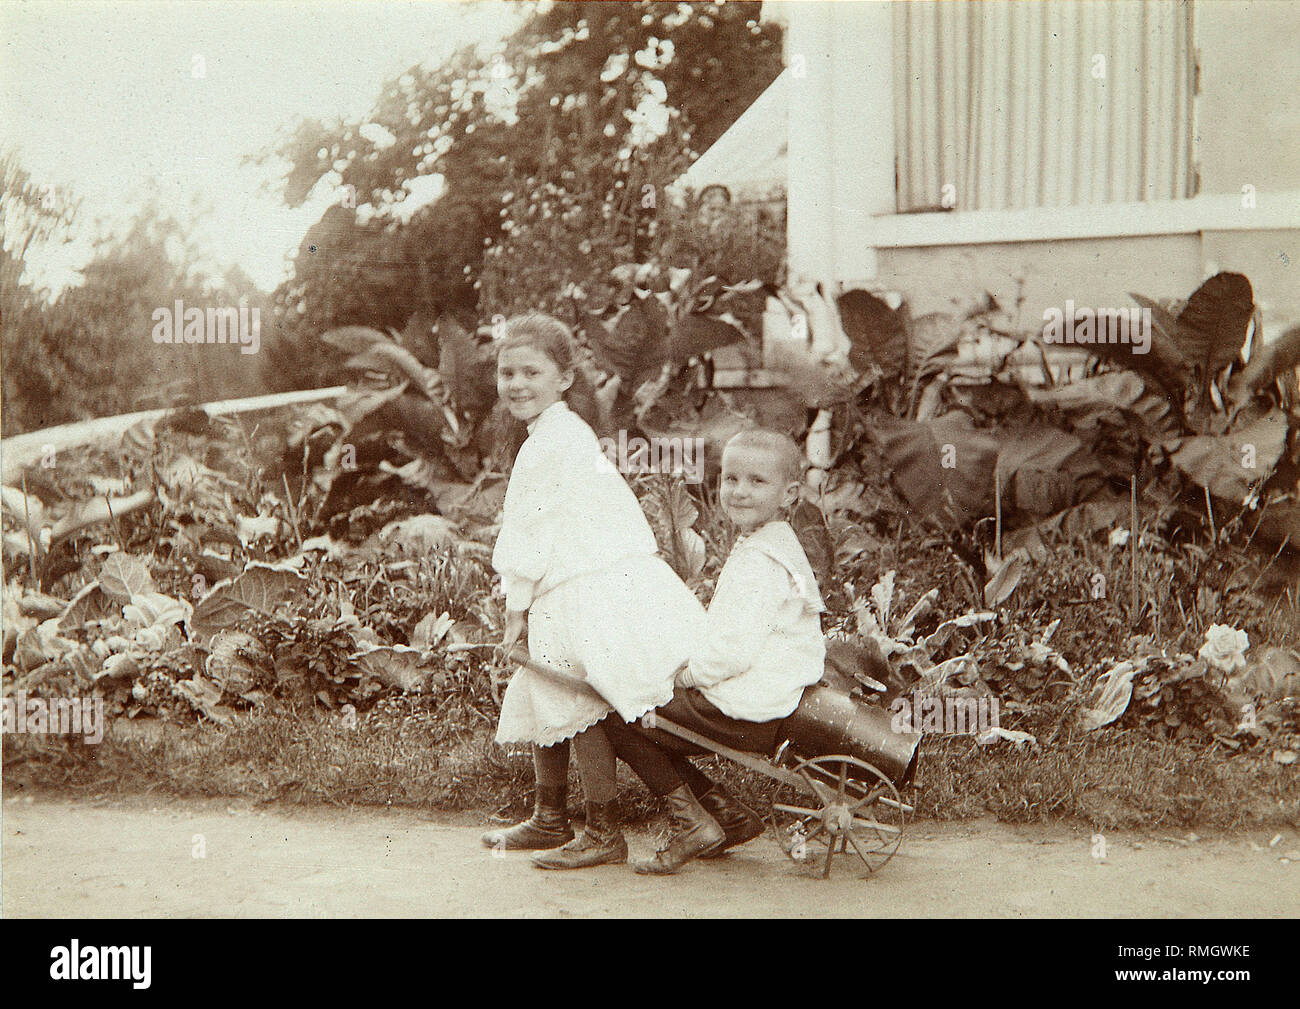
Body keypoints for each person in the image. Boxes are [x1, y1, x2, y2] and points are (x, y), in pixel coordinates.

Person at [481, 311, 707, 870]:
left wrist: (515, 607)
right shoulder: (559, 433)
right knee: (550, 689)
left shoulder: (553, 440)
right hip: (587, 582)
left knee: (578, 700)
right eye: (507, 373)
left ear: (564, 378)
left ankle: (603, 831)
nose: (517, 384)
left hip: (589, 589)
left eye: (531, 372)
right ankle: (550, 816)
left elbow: (529, 532)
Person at [600, 428, 827, 875]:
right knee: (644, 704)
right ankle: (726, 814)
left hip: (752, 708)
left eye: (757, 482)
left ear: (789, 494)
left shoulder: (760, 561)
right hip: (767, 695)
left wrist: (685, 676)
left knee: (620, 715)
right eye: (731, 479)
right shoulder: (771, 541)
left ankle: (693, 823)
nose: (739, 491)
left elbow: (731, 654)